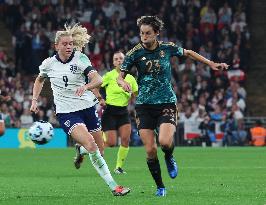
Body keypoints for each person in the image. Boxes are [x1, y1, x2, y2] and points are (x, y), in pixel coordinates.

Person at [117, 16, 229, 197]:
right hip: (144, 105)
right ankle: (160, 186)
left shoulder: (167, 48)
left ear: (156, 34)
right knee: (150, 150)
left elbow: (189, 53)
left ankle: (169, 156)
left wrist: (211, 64)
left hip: (166, 102)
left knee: (165, 142)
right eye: (141, 33)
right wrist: (122, 83)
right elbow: (119, 76)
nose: (144, 37)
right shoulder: (134, 53)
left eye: (148, 33)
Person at [30, 23, 130, 196]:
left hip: (87, 107)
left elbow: (98, 79)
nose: (69, 46)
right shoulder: (48, 64)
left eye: (70, 44)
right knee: (91, 144)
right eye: (65, 44)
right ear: (56, 46)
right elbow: (39, 80)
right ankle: (115, 187)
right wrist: (34, 100)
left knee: (100, 150)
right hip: (67, 111)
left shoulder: (81, 58)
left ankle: (80, 150)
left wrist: (87, 86)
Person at [97, 51, 138, 174]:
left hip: (123, 112)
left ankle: (118, 167)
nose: (119, 61)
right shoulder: (109, 76)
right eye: (116, 59)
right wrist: (100, 99)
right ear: (113, 62)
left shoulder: (130, 78)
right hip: (110, 111)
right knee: (111, 142)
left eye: (121, 58)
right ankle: (84, 149)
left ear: (125, 61)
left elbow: (137, 95)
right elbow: (95, 86)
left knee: (126, 139)